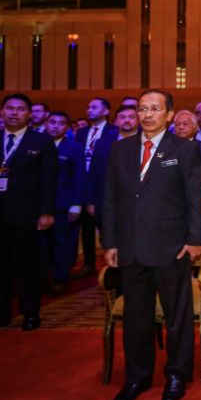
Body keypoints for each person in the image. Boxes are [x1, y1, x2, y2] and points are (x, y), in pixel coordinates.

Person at [103, 89, 201, 400]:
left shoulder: (185, 150)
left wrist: (195, 239)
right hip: (131, 246)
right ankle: (137, 376)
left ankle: (176, 375)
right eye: (142, 109)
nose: (147, 114)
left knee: (177, 315)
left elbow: (195, 199)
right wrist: (110, 242)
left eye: (155, 109)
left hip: (171, 246)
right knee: (136, 316)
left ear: (170, 114)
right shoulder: (120, 150)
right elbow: (109, 198)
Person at [0, 93, 57, 330]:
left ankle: (31, 313)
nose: (14, 113)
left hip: (27, 214)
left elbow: (49, 179)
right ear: (2, 112)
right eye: (9, 108)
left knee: (27, 267)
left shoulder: (41, 141)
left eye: (20, 109)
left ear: (29, 114)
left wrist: (46, 212)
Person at [75, 97, 119, 278]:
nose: (89, 110)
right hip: (83, 183)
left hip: (103, 184)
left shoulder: (114, 132)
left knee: (105, 225)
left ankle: (111, 262)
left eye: (94, 107)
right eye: (88, 107)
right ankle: (89, 263)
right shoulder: (81, 132)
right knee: (86, 226)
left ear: (106, 111)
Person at [44, 111, 85, 296]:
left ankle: (60, 278)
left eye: (61, 124)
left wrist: (76, 204)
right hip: (37, 204)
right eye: (52, 122)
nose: (56, 126)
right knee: (41, 245)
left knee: (62, 244)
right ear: (46, 123)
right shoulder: (36, 144)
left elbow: (79, 178)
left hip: (63, 204)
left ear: (67, 128)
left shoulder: (74, 148)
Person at [171, 110, 201, 184]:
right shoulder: (169, 148)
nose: (181, 127)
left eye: (185, 124)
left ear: (195, 127)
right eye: (177, 124)